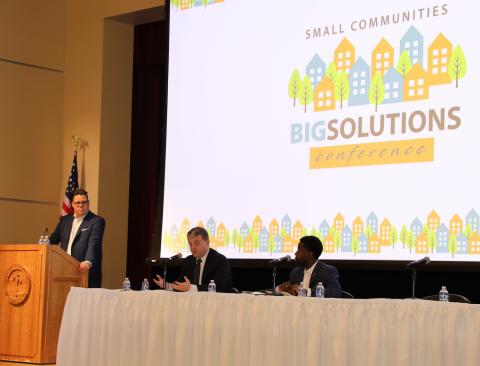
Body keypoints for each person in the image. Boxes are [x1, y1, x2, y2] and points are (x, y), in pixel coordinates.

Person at [49, 188, 105, 288]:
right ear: (72, 204)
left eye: (84, 202)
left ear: (88, 203)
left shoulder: (96, 221)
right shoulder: (65, 220)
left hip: (84, 271)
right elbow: (53, 240)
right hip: (64, 271)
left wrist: (88, 261)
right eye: (78, 203)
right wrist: (42, 246)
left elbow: (94, 244)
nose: (81, 205)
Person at [153, 226, 233, 293]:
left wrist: (191, 288)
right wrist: (168, 286)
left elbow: (219, 287)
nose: (192, 247)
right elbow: (180, 284)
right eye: (190, 244)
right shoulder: (189, 261)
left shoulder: (220, 260)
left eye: (196, 243)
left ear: (207, 242)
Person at [277, 236, 342, 297]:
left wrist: (306, 292)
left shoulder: (327, 271)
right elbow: (288, 289)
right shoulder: (296, 272)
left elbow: (335, 292)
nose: (295, 253)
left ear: (310, 253)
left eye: (299, 249)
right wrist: (282, 288)